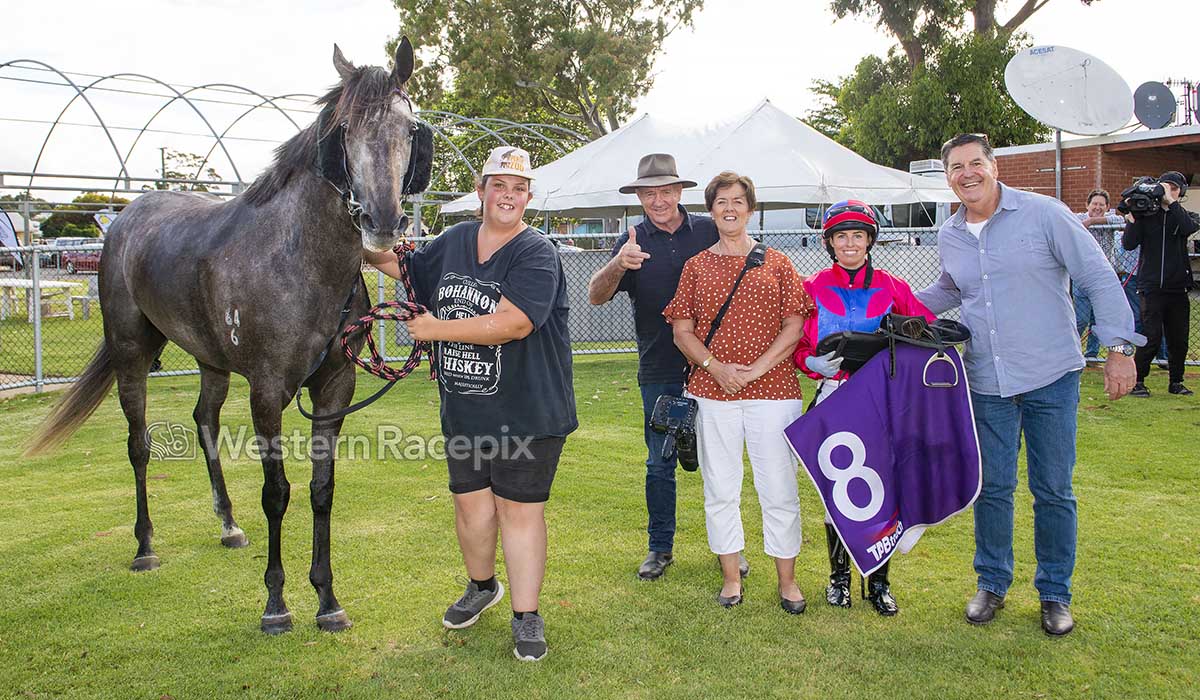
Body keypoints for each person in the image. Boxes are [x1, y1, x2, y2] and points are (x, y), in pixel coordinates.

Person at [917, 134, 1142, 637]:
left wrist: (1119, 349)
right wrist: (892, 307)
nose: (967, 173)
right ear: (948, 176)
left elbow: (1097, 276)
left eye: (976, 163)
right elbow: (953, 288)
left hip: (1050, 376)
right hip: (987, 379)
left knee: (1053, 490)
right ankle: (992, 583)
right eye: (956, 167)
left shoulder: (1045, 213)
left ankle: (1055, 594)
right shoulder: (951, 233)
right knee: (993, 487)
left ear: (993, 167)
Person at [365, 146, 577, 662]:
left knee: (519, 514)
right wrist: (358, 236)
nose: (508, 196)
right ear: (480, 191)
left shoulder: (536, 252)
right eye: (498, 186)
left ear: (528, 197)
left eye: (519, 188)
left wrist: (438, 328)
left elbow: (515, 322)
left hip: (528, 411)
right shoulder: (456, 240)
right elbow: (404, 265)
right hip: (467, 408)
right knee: (471, 509)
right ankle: (482, 586)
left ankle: (527, 616)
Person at [662, 171, 814, 612]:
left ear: (750, 208)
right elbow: (681, 331)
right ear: (711, 211)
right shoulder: (696, 266)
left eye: (738, 200)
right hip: (713, 391)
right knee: (721, 487)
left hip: (774, 391)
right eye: (721, 201)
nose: (730, 208)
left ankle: (787, 581)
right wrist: (716, 367)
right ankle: (731, 577)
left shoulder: (779, 263)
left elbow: (794, 326)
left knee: (779, 487)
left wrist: (756, 370)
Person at [792, 200, 934, 616]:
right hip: (834, 398)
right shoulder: (813, 287)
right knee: (838, 489)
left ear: (869, 240)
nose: (850, 243)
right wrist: (809, 363)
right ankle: (838, 580)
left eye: (858, 235)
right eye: (841, 236)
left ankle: (879, 583)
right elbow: (796, 344)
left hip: (884, 401)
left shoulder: (894, 287)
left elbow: (922, 332)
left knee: (884, 490)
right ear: (830, 243)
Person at [587, 153, 721, 581]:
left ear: (680, 192)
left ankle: (727, 547)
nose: (658, 200)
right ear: (640, 196)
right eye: (649, 193)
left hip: (713, 365)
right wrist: (618, 264)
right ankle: (660, 548)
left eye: (666, 191)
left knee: (718, 459)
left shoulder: (709, 229)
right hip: (660, 367)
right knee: (659, 461)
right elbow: (595, 295)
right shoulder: (633, 239)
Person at [1122, 171, 1197, 397]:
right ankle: (1138, 381)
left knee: (1178, 339)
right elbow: (1128, 244)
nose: (1168, 191)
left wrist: (1171, 202)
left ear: (1180, 191)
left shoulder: (1182, 215)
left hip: (1177, 287)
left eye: (1174, 188)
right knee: (1151, 336)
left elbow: (1187, 227)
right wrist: (1133, 220)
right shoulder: (1147, 215)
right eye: (1166, 186)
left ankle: (1176, 382)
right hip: (1151, 287)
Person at [1074, 190, 1126, 359]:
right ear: (1087, 205)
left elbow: (1121, 220)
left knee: (1097, 320)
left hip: (1104, 278)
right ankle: (1073, 351)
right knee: (1080, 318)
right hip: (1082, 276)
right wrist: (1087, 222)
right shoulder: (1077, 219)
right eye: (1094, 204)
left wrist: (1093, 221)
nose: (1097, 207)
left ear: (1107, 207)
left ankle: (1092, 355)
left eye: (1101, 205)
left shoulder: (1109, 221)